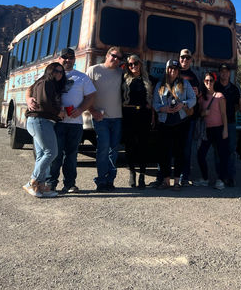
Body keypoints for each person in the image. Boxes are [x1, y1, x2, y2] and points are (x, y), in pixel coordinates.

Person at [29, 48, 96, 194]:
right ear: (59, 59)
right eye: (64, 57)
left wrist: (81, 109)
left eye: (71, 57)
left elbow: (91, 96)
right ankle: (50, 184)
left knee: (71, 155)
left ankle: (70, 184)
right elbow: (31, 88)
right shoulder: (49, 74)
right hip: (55, 122)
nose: (68, 60)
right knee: (54, 154)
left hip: (75, 123)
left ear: (74, 59)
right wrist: (28, 99)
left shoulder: (82, 77)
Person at [22, 62, 66, 198]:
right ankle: (32, 182)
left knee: (42, 155)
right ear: (49, 71)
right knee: (51, 152)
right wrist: (59, 112)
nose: (58, 74)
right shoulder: (45, 82)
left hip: (43, 122)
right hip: (40, 120)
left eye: (61, 72)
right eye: (56, 71)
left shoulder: (48, 83)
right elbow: (44, 102)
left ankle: (39, 186)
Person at [153, 59, 196, 190]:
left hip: (180, 122)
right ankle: (166, 181)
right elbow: (154, 103)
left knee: (179, 152)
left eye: (175, 69)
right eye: (170, 69)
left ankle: (177, 181)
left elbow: (193, 99)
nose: (173, 71)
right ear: (167, 70)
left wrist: (183, 104)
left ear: (178, 71)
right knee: (164, 152)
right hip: (164, 122)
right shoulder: (160, 85)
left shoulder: (185, 84)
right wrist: (162, 108)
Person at [86, 47, 124, 192]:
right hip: (100, 118)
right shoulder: (94, 70)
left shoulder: (121, 73)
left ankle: (110, 180)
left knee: (114, 151)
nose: (116, 59)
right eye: (114, 56)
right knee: (103, 149)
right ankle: (101, 180)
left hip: (118, 118)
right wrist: (92, 111)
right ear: (107, 55)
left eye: (119, 58)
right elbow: (86, 93)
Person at [122, 54, 153, 189]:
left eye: (135, 63)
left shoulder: (148, 80)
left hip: (143, 116)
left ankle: (142, 175)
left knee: (143, 146)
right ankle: (132, 174)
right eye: (130, 64)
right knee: (129, 146)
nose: (133, 66)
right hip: (128, 115)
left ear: (140, 64)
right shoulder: (124, 80)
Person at [193, 72, 229, 190]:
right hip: (206, 131)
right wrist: (203, 113)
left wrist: (225, 129)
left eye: (211, 81)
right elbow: (197, 113)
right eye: (206, 81)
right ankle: (205, 178)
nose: (209, 83)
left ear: (214, 82)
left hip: (218, 129)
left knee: (221, 155)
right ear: (204, 82)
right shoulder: (201, 97)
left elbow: (224, 114)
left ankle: (221, 180)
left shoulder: (219, 96)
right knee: (200, 154)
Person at [213, 63, 241, 187]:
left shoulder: (234, 89)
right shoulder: (215, 87)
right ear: (219, 73)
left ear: (229, 73)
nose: (224, 73)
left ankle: (231, 177)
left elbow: (236, 106)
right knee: (217, 150)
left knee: (231, 150)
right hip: (217, 123)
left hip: (230, 122)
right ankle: (220, 176)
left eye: (226, 71)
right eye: (222, 71)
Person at [178, 48, 200, 186]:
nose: (185, 60)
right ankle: (167, 175)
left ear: (191, 60)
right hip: (173, 117)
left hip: (189, 117)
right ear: (179, 58)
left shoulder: (194, 76)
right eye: (182, 57)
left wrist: (197, 94)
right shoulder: (173, 73)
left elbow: (199, 95)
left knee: (186, 147)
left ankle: (184, 176)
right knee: (172, 146)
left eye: (187, 58)